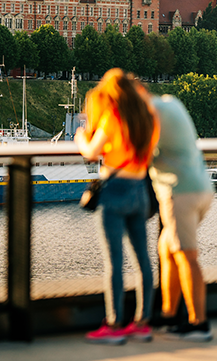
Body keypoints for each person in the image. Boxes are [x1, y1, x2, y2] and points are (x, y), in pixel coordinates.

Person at [75, 69, 160, 345]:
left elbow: (91, 151)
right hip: (140, 190)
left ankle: (113, 324)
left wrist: (79, 136)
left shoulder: (113, 118)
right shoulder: (149, 119)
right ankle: (142, 322)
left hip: (115, 191)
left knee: (114, 262)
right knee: (143, 260)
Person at [149, 94, 215, 341]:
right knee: (167, 249)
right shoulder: (170, 103)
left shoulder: (149, 114)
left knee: (187, 255)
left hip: (179, 193)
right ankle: (168, 314)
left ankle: (199, 323)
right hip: (202, 188)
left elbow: (141, 153)